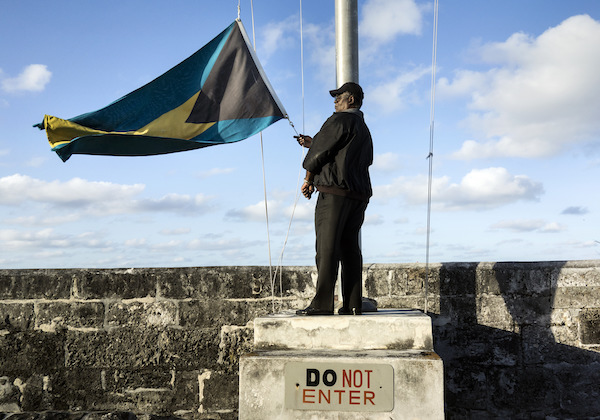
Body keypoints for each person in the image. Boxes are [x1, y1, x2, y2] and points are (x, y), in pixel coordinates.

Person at [294, 82, 373, 316]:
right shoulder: (362, 126)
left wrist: (308, 180)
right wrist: (313, 141)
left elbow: (318, 154)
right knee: (350, 249)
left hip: (335, 193)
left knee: (327, 248)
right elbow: (336, 148)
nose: (335, 100)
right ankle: (353, 304)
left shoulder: (338, 120)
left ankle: (322, 304)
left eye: (340, 96)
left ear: (351, 100)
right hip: (358, 194)